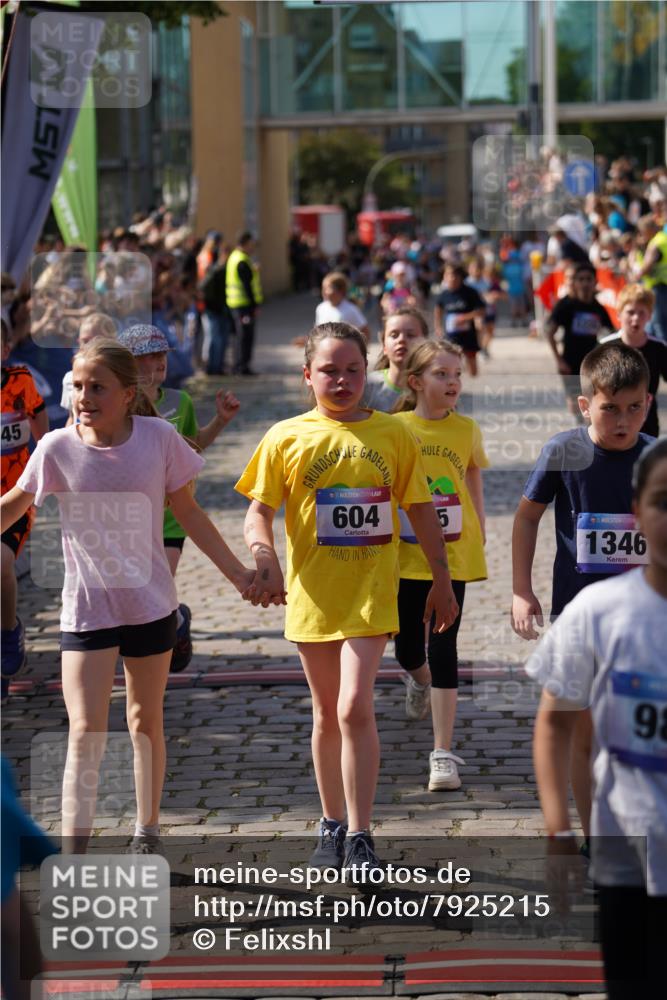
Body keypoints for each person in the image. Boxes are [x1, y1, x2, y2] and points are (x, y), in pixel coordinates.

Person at [0, 341, 255, 855]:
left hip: (149, 607)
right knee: (84, 732)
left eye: (97, 387)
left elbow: (189, 514)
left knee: (144, 720)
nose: (83, 397)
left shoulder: (159, 438)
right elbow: (12, 507)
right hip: (87, 612)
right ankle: (74, 856)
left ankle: (147, 830)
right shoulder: (55, 448)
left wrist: (239, 575)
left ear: (127, 393)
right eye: (77, 386)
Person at [235, 322, 458, 873]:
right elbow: (258, 512)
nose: (342, 380)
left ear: (370, 371)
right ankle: (331, 822)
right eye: (329, 370)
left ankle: (361, 831)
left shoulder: (393, 433)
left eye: (353, 369)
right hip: (312, 595)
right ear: (306, 376)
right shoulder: (287, 436)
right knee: (325, 714)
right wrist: (265, 556)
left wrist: (442, 578)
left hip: (371, 594)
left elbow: (421, 509)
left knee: (354, 706)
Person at [527, 438, 667, 999]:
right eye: (664, 501)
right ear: (638, 511)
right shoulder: (597, 613)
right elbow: (555, 725)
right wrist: (560, 833)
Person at [511, 341, 654, 841]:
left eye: (635, 407)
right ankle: (596, 837)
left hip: (644, 618)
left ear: (650, 403)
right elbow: (527, 517)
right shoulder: (563, 451)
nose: (623, 419)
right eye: (610, 408)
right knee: (586, 731)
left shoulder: (655, 457)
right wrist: (521, 590)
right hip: (579, 614)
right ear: (584, 404)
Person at [393, 341, 488, 792]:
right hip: (401, 556)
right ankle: (418, 679)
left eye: (456, 375)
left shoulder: (466, 429)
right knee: (407, 647)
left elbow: (472, 475)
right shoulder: (393, 428)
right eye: (442, 375)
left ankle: (442, 753)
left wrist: (481, 526)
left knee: (444, 645)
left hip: (453, 554)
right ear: (415, 382)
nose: (453, 382)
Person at [118, 324, 240, 671]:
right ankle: (175, 621)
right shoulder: (117, 404)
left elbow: (192, 447)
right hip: (131, 519)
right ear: (128, 362)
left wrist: (220, 420)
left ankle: (158, 641)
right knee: (135, 591)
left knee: (155, 585)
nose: (158, 364)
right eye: (148, 357)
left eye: (162, 356)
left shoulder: (179, 401)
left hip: (171, 517)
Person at [1, 320, 49, 702]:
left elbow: (38, 418)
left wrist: (45, 457)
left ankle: (8, 631)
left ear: (6, 350)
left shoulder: (20, 380)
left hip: (15, 495)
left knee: (0, 563)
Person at [545, 262, 613, 420]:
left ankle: (589, 429)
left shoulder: (598, 308)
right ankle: (579, 426)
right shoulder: (566, 305)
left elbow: (611, 334)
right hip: (570, 361)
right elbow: (550, 332)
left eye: (588, 279)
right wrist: (559, 360)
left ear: (595, 282)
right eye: (580, 279)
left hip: (592, 362)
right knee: (575, 402)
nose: (584, 283)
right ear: (574, 282)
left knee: (592, 399)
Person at [600, 284, 667, 437]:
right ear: (619, 315)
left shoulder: (658, 348)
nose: (635, 318)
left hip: (646, 419)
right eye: (630, 312)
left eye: (641, 313)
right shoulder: (606, 347)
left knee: (645, 458)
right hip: (613, 418)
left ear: (650, 316)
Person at [363, 307, 428, 412]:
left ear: (426, 344)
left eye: (410, 335)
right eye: (394, 335)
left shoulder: (433, 387)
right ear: (384, 345)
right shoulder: (367, 386)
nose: (401, 340)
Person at [61, 312, 117, 421]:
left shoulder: (124, 377)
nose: (90, 346)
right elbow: (72, 418)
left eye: (97, 340)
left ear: (112, 342)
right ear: (78, 342)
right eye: (85, 341)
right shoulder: (69, 378)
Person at [433, 264, 485, 377]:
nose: (451, 278)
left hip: (469, 334)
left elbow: (481, 310)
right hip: (452, 335)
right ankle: (456, 383)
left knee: (473, 370)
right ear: (444, 277)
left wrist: (464, 318)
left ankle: (472, 381)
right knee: (451, 360)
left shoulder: (470, 292)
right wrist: (438, 326)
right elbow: (438, 310)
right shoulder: (444, 294)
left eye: (454, 275)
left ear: (460, 277)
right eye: (448, 275)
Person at [226, 231, 263, 375]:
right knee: (245, 337)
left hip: (236, 305)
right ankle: (243, 367)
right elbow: (247, 285)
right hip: (244, 306)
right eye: (252, 244)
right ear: (246, 243)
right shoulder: (241, 260)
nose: (253, 247)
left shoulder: (235, 257)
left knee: (239, 337)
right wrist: (254, 306)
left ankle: (238, 365)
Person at [199, 243, 233, 375]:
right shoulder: (216, 270)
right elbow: (203, 287)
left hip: (220, 309)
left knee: (221, 339)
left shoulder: (221, 269)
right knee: (215, 339)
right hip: (213, 310)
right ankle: (213, 368)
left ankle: (217, 367)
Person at [635, 212, 667, 344]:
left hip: (658, 288)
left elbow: (646, 268)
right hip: (662, 287)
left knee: (659, 326)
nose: (642, 234)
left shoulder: (655, 243)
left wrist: (636, 273)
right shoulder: (663, 238)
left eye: (642, 231)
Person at [315, 271, 370, 339]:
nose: (324, 291)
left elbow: (365, 331)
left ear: (340, 290)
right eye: (323, 288)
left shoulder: (350, 309)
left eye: (328, 288)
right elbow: (317, 332)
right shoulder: (321, 308)